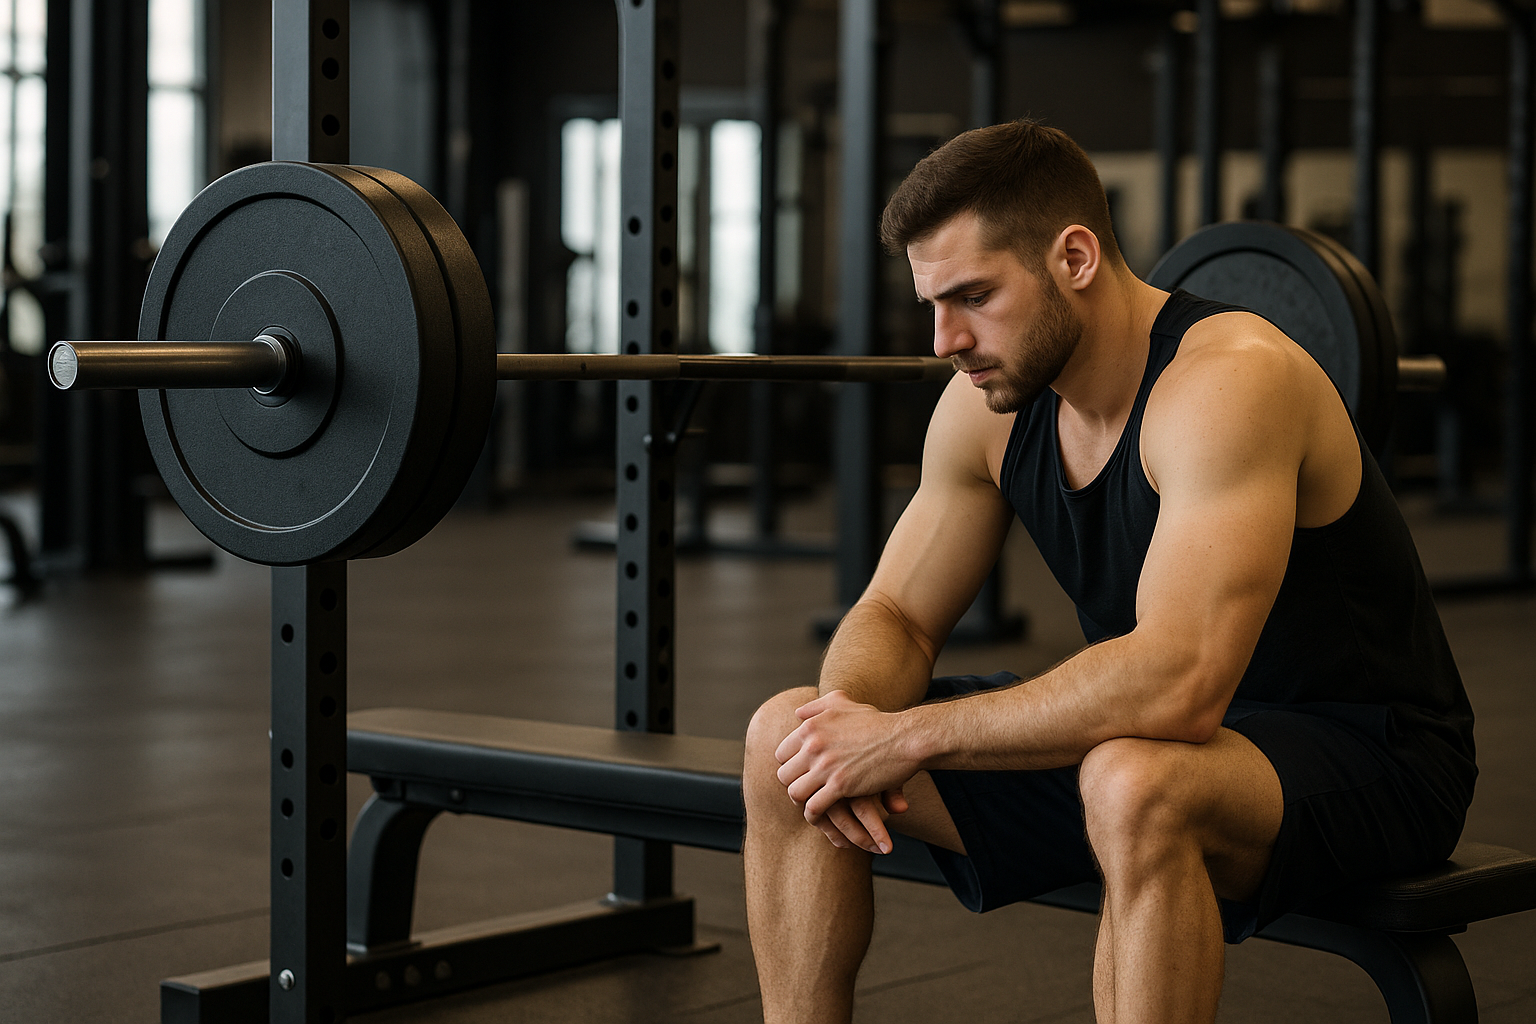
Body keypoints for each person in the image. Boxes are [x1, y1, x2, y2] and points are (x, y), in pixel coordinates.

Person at [741, 120, 1476, 1024]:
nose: (945, 340)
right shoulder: (988, 406)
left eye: (973, 295)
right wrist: (845, 724)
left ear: (1076, 257)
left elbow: (1177, 686)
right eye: (932, 303)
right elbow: (896, 612)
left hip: (1371, 751)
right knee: (789, 742)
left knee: (1136, 781)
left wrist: (905, 738)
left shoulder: (1227, 381)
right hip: (1141, 737)